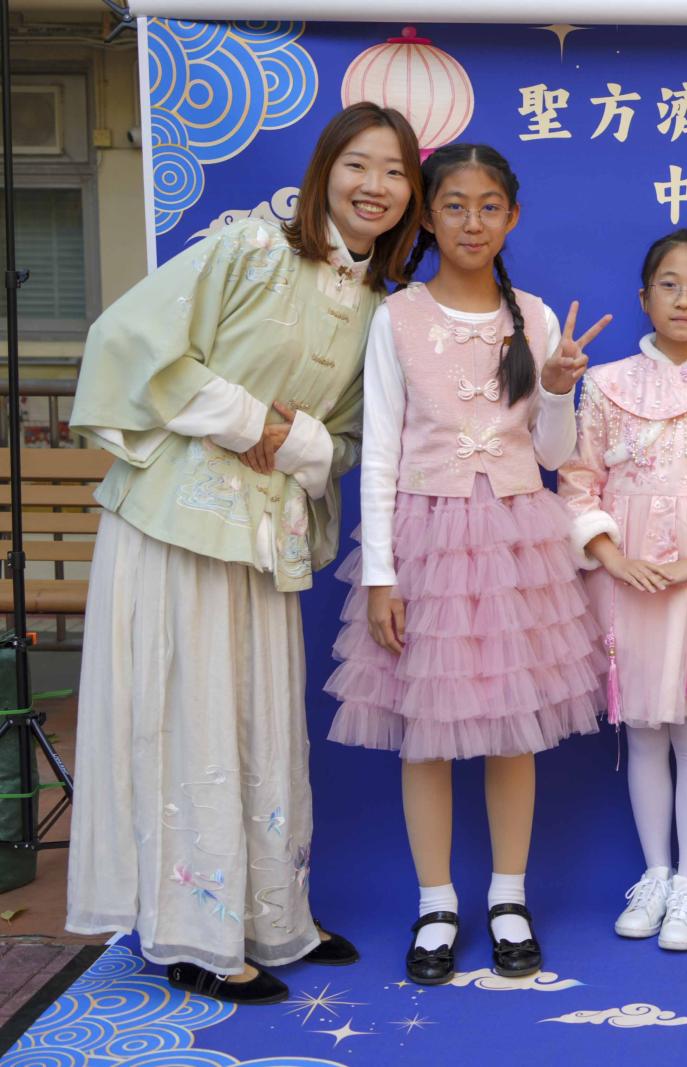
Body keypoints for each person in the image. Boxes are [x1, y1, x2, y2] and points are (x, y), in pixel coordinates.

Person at [66, 102, 425, 1004]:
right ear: (324, 171)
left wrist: (295, 438)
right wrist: (247, 419)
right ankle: (193, 934)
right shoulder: (250, 246)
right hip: (178, 519)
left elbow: (351, 442)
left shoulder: (377, 305)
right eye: (358, 164)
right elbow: (132, 342)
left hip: (267, 534)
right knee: (186, 715)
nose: (375, 186)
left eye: (395, 172)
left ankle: (270, 914)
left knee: (260, 717)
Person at [323, 143, 607, 985]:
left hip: (517, 545)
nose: (472, 222)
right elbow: (379, 451)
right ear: (429, 215)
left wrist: (557, 387)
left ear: (512, 218)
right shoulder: (397, 317)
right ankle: (436, 902)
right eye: (454, 206)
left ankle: (508, 897)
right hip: (426, 541)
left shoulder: (537, 317)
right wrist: (381, 574)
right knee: (427, 733)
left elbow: (552, 452)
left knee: (513, 729)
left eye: (489, 207)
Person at [558, 229, 687, 953]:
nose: (684, 299)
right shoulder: (606, 384)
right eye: (669, 284)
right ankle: (653, 873)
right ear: (643, 297)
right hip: (626, 578)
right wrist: (609, 553)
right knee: (642, 730)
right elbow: (578, 480)